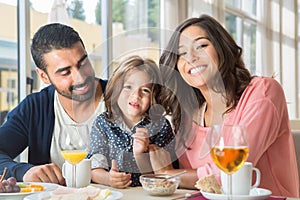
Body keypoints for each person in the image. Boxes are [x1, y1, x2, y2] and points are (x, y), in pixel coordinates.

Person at [158, 14, 299, 197]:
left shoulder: (263, 91)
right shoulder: (188, 117)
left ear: (222, 48)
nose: (191, 57)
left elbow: (231, 171)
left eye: (201, 46)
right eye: (181, 53)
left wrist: (170, 175)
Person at [0, 23, 107, 185]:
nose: (80, 77)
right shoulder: (34, 108)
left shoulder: (127, 99)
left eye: (83, 63)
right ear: (44, 76)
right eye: (65, 72)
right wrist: (25, 172)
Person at [88, 55, 177, 189]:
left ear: (154, 96)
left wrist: (141, 155)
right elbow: (94, 168)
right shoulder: (103, 123)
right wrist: (109, 179)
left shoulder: (161, 126)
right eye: (128, 87)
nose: (136, 95)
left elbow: (163, 177)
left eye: (145, 90)